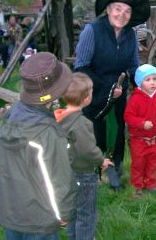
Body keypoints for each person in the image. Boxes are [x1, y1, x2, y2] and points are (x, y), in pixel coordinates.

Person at [74, 0, 150, 191]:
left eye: (127, 11)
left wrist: (142, 85)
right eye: (118, 8)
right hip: (93, 94)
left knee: (117, 131)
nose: (122, 14)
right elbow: (81, 67)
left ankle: (115, 168)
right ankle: (94, 172)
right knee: (95, 132)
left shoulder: (130, 36)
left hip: (118, 94)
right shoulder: (92, 31)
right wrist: (105, 86)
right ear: (108, 8)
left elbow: (133, 67)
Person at [0, 52, 77, 239]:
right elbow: (59, 179)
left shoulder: (11, 115)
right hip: (41, 218)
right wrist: (64, 212)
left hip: (12, 209)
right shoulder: (48, 132)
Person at [54, 72, 113, 240]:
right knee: (86, 213)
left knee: (72, 210)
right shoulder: (81, 124)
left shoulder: (59, 118)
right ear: (87, 98)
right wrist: (101, 160)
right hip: (83, 174)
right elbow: (87, 150)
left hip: (66, 173)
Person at [124, 64, 156, 197]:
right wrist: (141, 124)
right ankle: (137, 185)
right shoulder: (135, 99)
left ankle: (150, 183)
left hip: (154, 139)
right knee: (138, 163)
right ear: (140, 82)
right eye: (148, 80)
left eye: (154, 79)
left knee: (152, 162)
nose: (152, 82)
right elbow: (128, 117)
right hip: (138, 139)